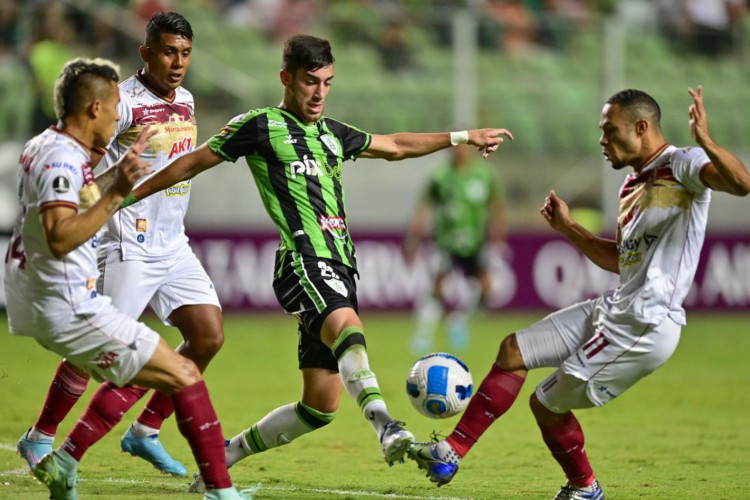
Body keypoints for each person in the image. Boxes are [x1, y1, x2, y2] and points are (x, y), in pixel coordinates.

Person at [116, 34, 513, 490]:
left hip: (342, 264)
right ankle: (386, 425)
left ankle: (227, 455)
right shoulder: (259, 125)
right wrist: (123, 195)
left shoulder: (332, 134)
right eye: (310, 82)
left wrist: (462, 136)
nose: (319, 93)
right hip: (302, 261)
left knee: (319, 408)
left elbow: (396, 145)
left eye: (327, 82)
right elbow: (190, 164)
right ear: (286, 78)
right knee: (348, 328)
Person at [407, 87, 750, 499]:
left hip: (646, 323)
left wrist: (707, 142)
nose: (602, 141)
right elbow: (620, 260)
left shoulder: (684, 165)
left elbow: (742, 184)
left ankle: (584, 488)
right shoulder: (630, 188)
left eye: (609, 131)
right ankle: (449, 451)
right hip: (616, 307)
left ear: (641, 127)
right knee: (514, 350)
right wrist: (568, 228)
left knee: (545, 404)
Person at [3, 57, 251, 500]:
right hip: (77, 292)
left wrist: (119, 176)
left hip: (81, 279)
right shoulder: (65, 157)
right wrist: (119, 191)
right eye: (114, 109)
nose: (120, 116)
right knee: (181, 375)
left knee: (201, 340)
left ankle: (85, 453)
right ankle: (219, 491)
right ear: (96, 108)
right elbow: (62, 235)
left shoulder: (44, 144)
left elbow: (74, 198)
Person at [404, 141, 507, 354]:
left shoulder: (484, 174)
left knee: (487, 290)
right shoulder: (441, 175)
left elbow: (497, 206)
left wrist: (498, 235)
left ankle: (458, 321)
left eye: (464, 147)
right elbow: (424, 207)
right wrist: (413, 237)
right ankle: (423, 335)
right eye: (456, 146)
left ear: (470, 149)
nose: (460, 150)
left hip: (475, 242)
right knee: (438, 288)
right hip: (445, 242)